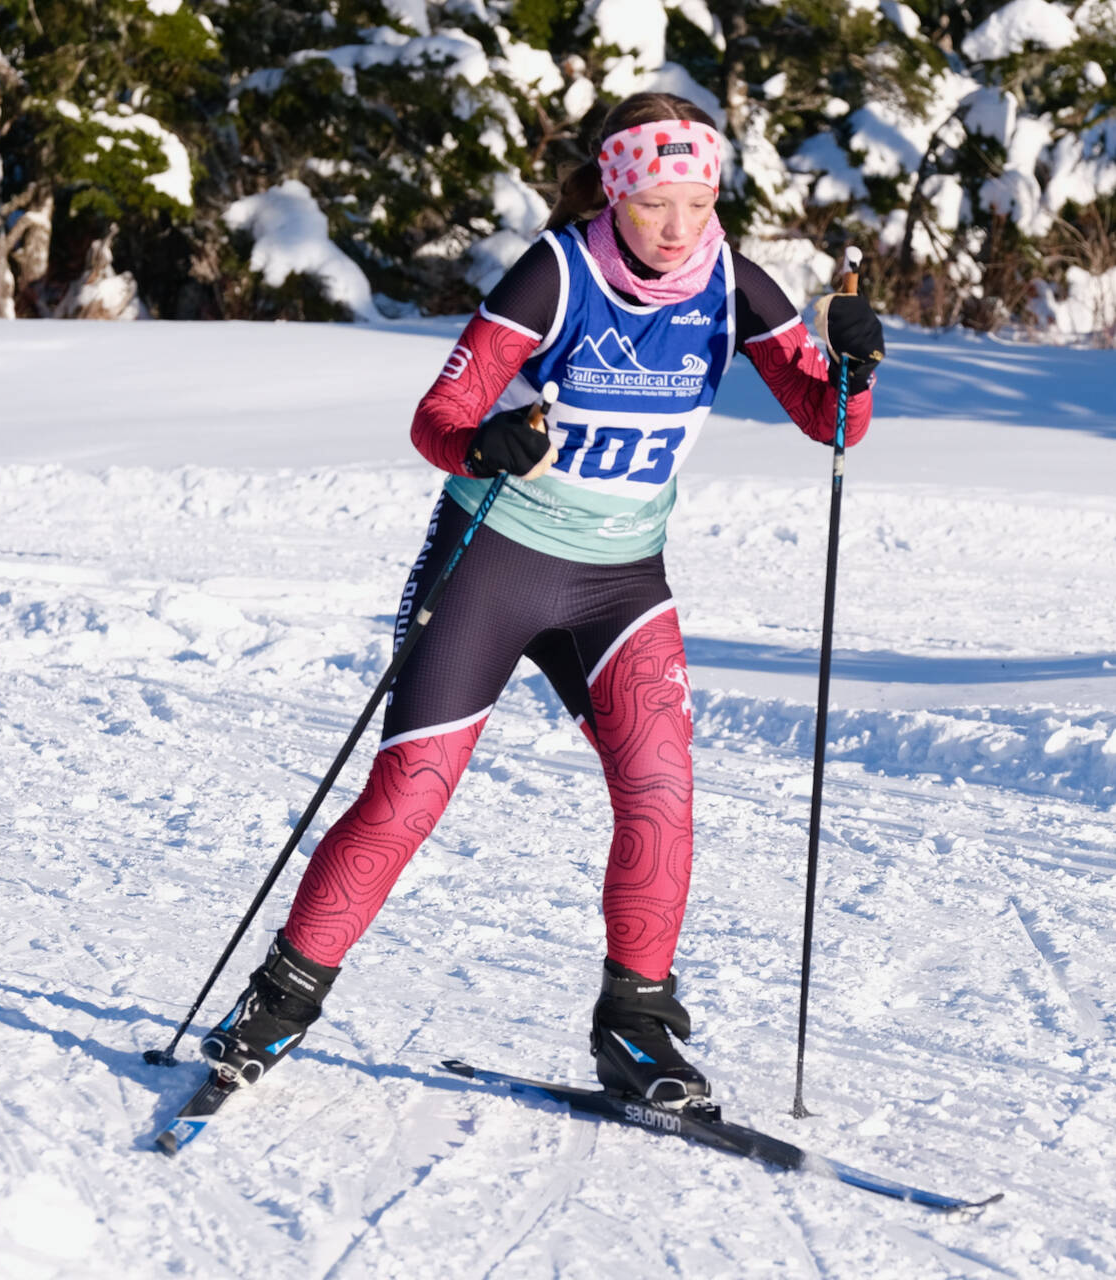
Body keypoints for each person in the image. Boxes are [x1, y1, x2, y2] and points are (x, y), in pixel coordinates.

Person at [202, 92, 885, 1106]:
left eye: (698, 201)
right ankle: (279, 1000)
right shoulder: (560, 271)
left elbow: (831, 423)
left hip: (620, 581)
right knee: (412, 791)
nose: (678, 225)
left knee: (660, 787)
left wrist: (856, 365)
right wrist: (485, 443)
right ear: (616, 190)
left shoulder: (731, 281)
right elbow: (439, 417)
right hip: (492, 562)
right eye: (657, 201)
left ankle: (638, 1029)